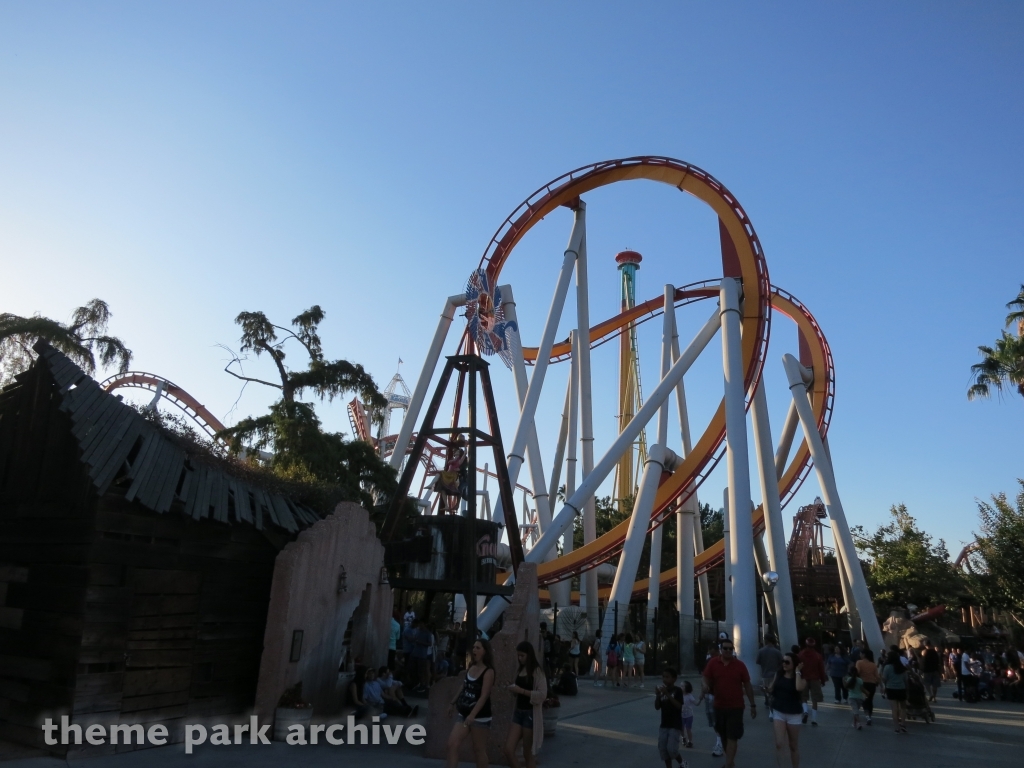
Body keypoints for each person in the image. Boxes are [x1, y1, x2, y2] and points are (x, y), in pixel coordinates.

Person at [702, 637, 756, 768]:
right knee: (723, 736)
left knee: (733, 736)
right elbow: (705, 676)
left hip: (736, 707)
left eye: (730, 649)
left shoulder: (740, 665)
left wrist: (753, 705)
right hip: (719, 706)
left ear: (733, 650)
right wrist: (705, 685)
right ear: (720, 650)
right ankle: (730, 762)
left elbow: (748, 685)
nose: (727, 651)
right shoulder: (713, 663)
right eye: (725, 648)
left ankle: (728, 764)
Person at [446, 639, 495, 768]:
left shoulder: (488, 672)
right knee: (452, 744)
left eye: (478, 648)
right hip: (464, 712)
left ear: (485, 651)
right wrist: (452, 702)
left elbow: (484, 695)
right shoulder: (471, 667)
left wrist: (473, 715)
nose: (474, 650)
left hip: (480, 716)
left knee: (478, 749)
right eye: (473, 647)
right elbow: (464, 686)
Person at [504, 640, 547, 768]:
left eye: (522, 655)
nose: (520, 658)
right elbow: (517, 692)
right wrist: (513, 690)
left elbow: (542, 695)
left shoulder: (537, 672)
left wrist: (521, 691)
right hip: (518, 712)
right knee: (508, 749)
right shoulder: (520, 670)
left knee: (527, 753)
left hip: (530, 714)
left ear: (529, 655)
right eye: (518, 655)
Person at [768, 652, 806, 768]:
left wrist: (797, 671)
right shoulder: (778, 674)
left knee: (793, 745)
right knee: (779, 744)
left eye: (787, 662)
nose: (784, 664)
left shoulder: (800, 678)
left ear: (794, 664)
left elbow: (799, 688)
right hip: (779, 711)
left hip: (794, 714)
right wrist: (767, 689)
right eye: (783, 661)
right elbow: (771, 689)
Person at [654, 667, 686, 768]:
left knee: (672, 749)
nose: (664, 679)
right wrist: (658, 696)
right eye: (663, 677)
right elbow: (657, 707)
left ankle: (682, 763)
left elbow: (679, 706)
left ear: (674, 679)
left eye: (667, 677)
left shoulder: (677, 691)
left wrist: (667, 694)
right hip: (664, 724)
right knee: (663, 749)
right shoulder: (662, 691)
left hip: (675, 725)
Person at [797, 637, 826, 725]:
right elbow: (821, 669)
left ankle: (805, 711)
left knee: (803, 697)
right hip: (815, 679)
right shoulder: (818, 656)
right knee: (815, 699)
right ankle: (814, 719)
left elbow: (798, 667)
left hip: (804, 678)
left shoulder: (801, 654)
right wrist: (823, 680)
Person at [880, 646, 908, 733]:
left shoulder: (887, 667)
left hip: (891, 689)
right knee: (903, 708)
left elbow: (884, 679)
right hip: (901, 688)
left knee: (894, 709)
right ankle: (903, 724)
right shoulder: (902, 667)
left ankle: (896, 726)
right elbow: (905, 679)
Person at [702, 644, 722, 756]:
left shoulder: (723, 661)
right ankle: (720, 739)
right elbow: (704, 677)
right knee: (713, 720)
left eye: (714, 653)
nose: (712, 655)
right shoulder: (709, 661)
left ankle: (720, 742)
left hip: (721, 695)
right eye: (710, 653)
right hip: (710, 694)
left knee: (719, 719)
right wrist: (703, 691)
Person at [756, 636, 784, 710]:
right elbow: (782, 662)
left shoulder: (761, 651)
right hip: (775, 674)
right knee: (774, 690)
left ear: (766, 640)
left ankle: (767, 702)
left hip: (765, 673)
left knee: (766, 689)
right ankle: (773, 703)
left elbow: (757, 661)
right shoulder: (777, 651)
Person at [855, 649, 879, 725]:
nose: (860, 655)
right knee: (870, 700)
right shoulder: (873, 664)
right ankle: (870, 715)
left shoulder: (859, 662)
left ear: (864, 655)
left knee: (864, 700)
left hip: (863, 683)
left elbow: (857, 672)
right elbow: (877, 676)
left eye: (861, 653)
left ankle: (867, 715)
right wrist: (880, 684)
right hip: (872, 684)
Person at [845, 663, 866, 729]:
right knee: (856, 710)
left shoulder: (849, 679)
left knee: (855, 711)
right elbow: (862, 689)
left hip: (852, 697)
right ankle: (855, 723)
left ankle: (859, 723)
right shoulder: (860, 680)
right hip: (860, 697)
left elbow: (847, 687)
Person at [681, 680, 700, 749]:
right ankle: (683, 737)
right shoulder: (679, 695)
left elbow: (696, 703)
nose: (681, 687)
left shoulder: (689, 696)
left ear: (687, 688)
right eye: (681, 686)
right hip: (681, 716)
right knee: (681, 728)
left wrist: (700, 699)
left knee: (688, 729)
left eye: (682, 686)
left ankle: (690, 741)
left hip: (689, 715)